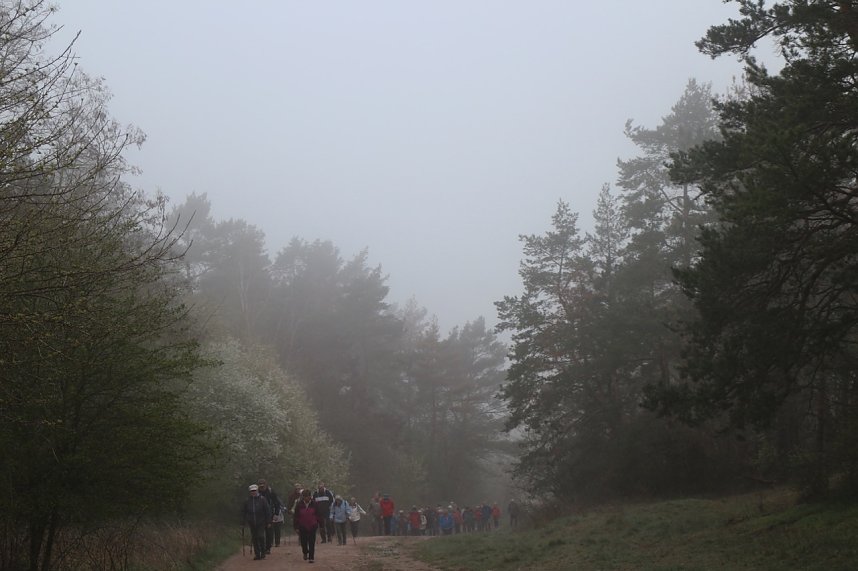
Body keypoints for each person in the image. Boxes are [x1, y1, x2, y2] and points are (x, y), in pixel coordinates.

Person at [241, 484, 271, 560]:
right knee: (254, 538)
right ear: (250, 492)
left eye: (254, 490)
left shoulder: (262, 499)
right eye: (252, 491)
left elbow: (267, 511)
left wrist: (268, 521)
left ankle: (263, 553)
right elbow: (244, 512)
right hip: (251, 522)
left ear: (257, 490)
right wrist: (243, 522)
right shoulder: (247, 501)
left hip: (261, 521)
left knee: (261, 536)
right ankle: (257, 554)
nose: (253, 492)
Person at [293, 488, 320, 563]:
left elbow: (318, 515)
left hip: (312, 525)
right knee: (303, 542)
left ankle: (311, 557)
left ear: (310, 496)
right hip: (302, 526)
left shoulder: (315, 504)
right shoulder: (299, 505)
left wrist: (320, 524)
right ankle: (305, 552)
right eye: (305, 496)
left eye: (308, 496)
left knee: (311, 542)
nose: (306, 498)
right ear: (303, 497)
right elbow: (296, 516)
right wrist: (296, 527)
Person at [256, 479, 282, 551]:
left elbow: (277, 503)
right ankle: (261, 546)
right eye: (260, 485)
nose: (262, 487)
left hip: (269, 514)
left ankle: (268, 547)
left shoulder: (271, 492)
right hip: (259, 515)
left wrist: (276, 514)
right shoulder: (256, 492)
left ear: (266, 484)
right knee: (259, 532)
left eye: (263, 485)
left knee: (269, 532)